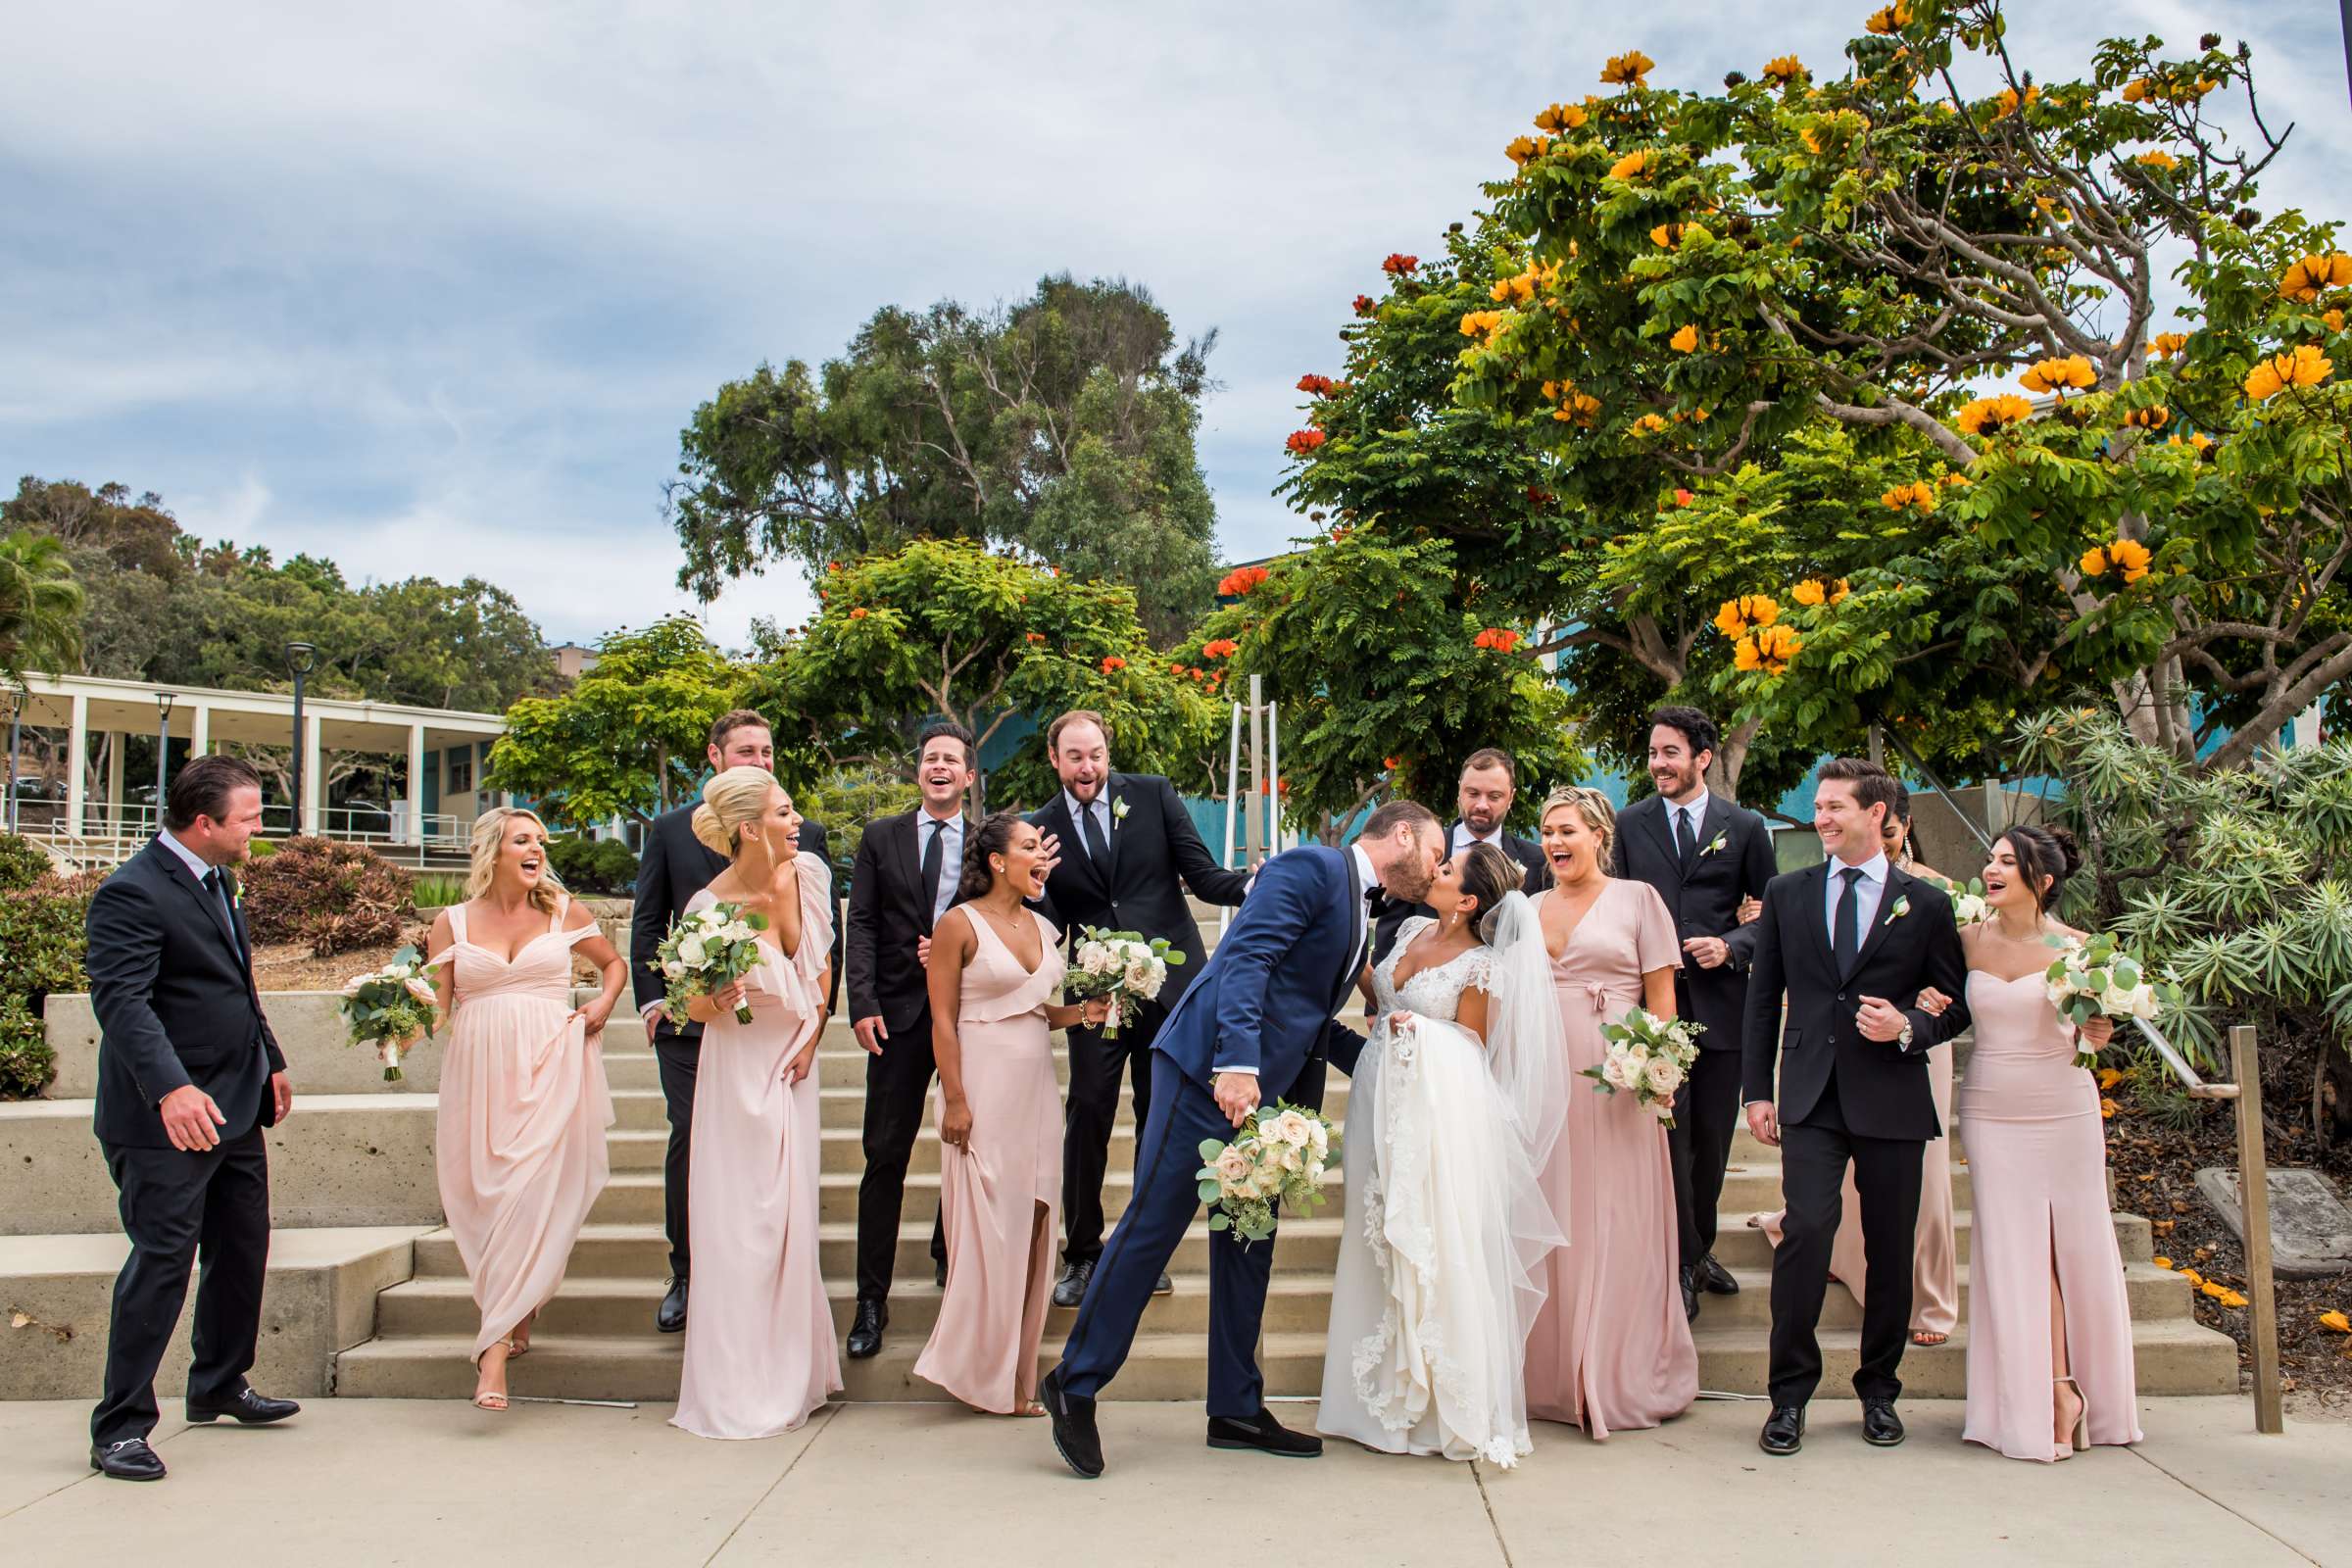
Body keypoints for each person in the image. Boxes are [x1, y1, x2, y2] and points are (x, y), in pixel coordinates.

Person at [1043, 802, 1446, 1479]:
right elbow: (1248, 959)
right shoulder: (1311, 866)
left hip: (1266, 1100)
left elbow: (1308, 1012)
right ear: (1401, 835)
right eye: (1436, 853)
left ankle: (1235, 1405)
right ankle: (1074, 1384)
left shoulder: (1357, 906)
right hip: (1210, 1074)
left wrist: (1384, 1049)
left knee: (1247, 1246)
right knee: (1151, 1230)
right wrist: (1237, 1062)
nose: (1436, 869)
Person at [1741, 758, 1971, 1456]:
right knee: (1807, 1231)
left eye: (1837, 805)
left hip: (1893, 1096)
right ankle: (1788, 1398)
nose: (1822, 816)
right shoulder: (1789, 892)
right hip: (1811, 1093)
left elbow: (1955, 1003)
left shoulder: (1926, 903)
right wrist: (1757, 1090)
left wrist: (1907, 1027)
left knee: (1891, 1247)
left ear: (1878, 814)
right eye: (1819, 805)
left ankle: (1879, 1390)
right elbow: (1763, 997)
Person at [1318, 842, 1566, 1466]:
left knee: (1426, 1241)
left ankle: (1430, 1401)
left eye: (1448, 870)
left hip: (1434, 1117)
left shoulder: (1482, 967)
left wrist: (1419, 1031)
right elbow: (1378, 992)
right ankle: (1367, 1398)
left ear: (1469, 900)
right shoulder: (1406, 929)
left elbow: (1472, 1048)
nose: (1437, 870)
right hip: (1379, 1096)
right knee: (1373, 1233)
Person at [83, 755, 296, 1483]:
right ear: (204, 823)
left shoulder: (219, 879)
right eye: (248, 818)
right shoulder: (130, 892)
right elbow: (122, 1004)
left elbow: (236, 980)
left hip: (235, 1103)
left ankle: (219, 1383)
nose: (257, 830)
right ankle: (120, 1427)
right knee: (162, 1264)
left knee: (243, 1248)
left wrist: (269, 1056)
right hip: (165, 1118)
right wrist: (172, 1091)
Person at [1919, 823, 2142, 1461]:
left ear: (2040, 881)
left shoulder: (2080, 950)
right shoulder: (1963, 941)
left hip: (2065, 1111)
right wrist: (1931, 1001)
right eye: (1990, 858)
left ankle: (2070, 1390)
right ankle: (2046, 1392)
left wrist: (2098, 1032)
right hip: (1992, 1112)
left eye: (2006, 863)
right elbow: (1944, 1005)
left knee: (2071, 1250)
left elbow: (2096, 1031)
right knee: (2017, 1253)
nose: (1990, 869)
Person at [1028, 710, 1248, 1309]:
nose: (1088, 766)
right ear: (1055, 759)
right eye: (1075, 756)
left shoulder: (1151, 794)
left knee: (1161, 1118)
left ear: (1107, 751)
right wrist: (1034, 886)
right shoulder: (1040, 826)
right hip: (1096, 994)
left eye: (1096, 754)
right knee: (1090, 1112)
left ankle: (1143, 1251)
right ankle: (1081, 1253)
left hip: (1170, 986)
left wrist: (1253, 885)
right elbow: (1045, 925)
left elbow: (1201, 877)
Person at [630, 710, 831, 1335]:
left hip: (785, 1038)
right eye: (748, 750)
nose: (762, 759)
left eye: (769, 751)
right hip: (701, 1034)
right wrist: (655, 1003)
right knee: (696, 1147)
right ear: (716, 757)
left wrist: (813, 1034)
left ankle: (779, 1315)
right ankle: (690, 1273)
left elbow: (824, 956)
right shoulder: (671, 835)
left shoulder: (806, 853)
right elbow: (648, 923)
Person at [423, 807, 623, 1411]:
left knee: (527, 1193)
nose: (536, 849)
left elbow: (612, 965)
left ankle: (491, 1360)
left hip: (552, 1065)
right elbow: (436, 1010)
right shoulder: (451, 922)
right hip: (479, 1078)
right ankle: (518, 1308)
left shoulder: (564, 910)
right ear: (493, 852)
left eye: (540, 840)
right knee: (489, 1201)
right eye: (522, 840)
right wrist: (390, 1018)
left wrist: (601, 1005)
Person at [913, 813, 1112, 1414]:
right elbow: (942, 1018)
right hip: (981, 1084)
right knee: (988, 1229)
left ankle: (1019, 1377)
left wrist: (1083, 1014)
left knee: (1033, 1226)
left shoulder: (1046, 928)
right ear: (998, 861)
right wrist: (954, 1097)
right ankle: (979, 1372)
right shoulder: (958, 924)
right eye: (1030, 847)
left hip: (1035, 1089)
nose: (1042, 857)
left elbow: (1034, 1010)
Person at [669, 767, 838, 1439]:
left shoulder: (809, 877)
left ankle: (792, 1372)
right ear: (749, 827)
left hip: (791, 1067)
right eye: (785, 812)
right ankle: (736, 1382)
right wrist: (720, 999)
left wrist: (811, 1042)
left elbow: (819, 975)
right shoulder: (706, 909)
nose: (798, 823)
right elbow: (690, 1006)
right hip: (734, 1068)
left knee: (788, 1219)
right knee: (737, 1226)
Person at [1523, 786, 1697, 1436]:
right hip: (1548, 1081)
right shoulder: (1529, 906)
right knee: (1559, 1216)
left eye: (1567, 830)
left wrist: (1659, 1069)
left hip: (1619, 1081)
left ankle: (1616, 1370)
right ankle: (1553, 1374)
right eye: (1546, 831)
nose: (1555, 842)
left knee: (1617, 1217)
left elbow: (1662, 998)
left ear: (1600, 833)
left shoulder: (1639, 901)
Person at [1607, 707, 1778, 1322]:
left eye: (1670, 753)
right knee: (1668, 1141)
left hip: (1724, 1007)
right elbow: (1617, 908)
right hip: (1653, 1012)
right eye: (1653, 753)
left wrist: (1731, 945)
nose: (1658, 765)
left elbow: (1770, 921)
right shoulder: (1629, 825)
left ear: (1703, 758)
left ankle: (1697, 1248)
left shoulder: (1748, 827)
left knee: (1709, 1142)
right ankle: (1681, 1261)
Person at [841, 722, 972, 1358]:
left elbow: (1007, 918)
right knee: (883, 1155)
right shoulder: (880, 838)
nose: (939, 766)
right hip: (893, 1016)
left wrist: (953, 952)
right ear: (918, 772)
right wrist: (860, 1003)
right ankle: (871, 1300)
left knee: (965, 1146)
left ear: (969, 777)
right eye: (930, 758)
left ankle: (951, 1256)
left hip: (967, 1018)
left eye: (951, 759)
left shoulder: (986, 844)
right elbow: (860, 921)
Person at [1371, 748, 1546, 964]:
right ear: (1459, 792)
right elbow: (1388, 940)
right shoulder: (1417, 853)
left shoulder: (1537, 861)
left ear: (1511, 798)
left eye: (1494, 796)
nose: (1482, 805)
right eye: (1473, 793)